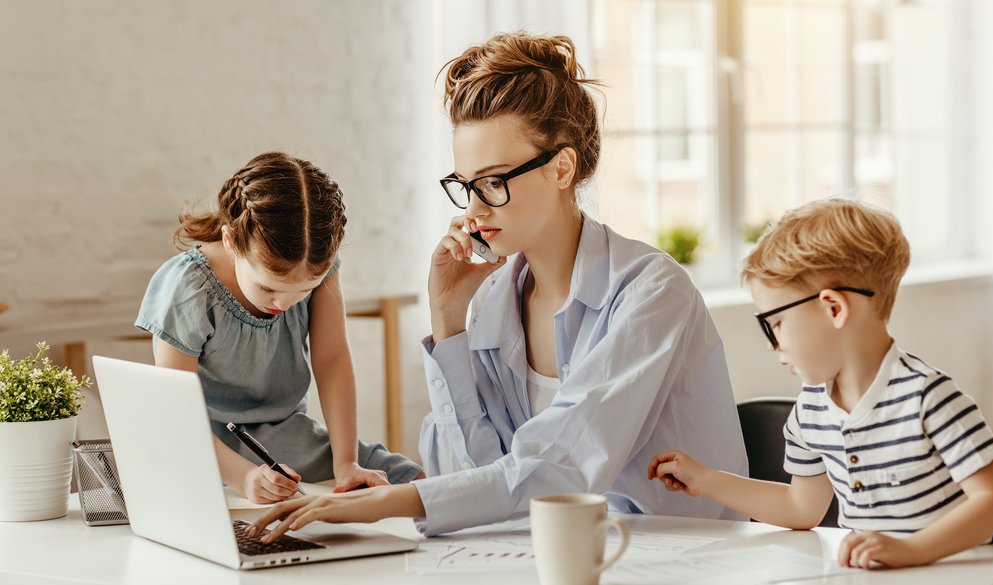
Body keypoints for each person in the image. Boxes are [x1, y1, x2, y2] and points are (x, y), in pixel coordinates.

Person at [247, 32, 746, 542]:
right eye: (466, 185)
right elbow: (472, 479)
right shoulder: (490, 300)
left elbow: (559, 470)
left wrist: (388, 502)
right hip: (557, 557)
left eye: (492, 182)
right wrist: (447, 325)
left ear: (562, 166)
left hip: (683, 559)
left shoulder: (652, 293)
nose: (473, 210)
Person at [648, 198, 993, 569]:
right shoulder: (811, 412)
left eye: (777, 324)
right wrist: (706, 479)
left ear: (834, 308)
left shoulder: (929, 398)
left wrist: (912, 550)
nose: (773, 344)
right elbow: (801, 508)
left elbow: (992, 501)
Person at [135, 152, 423, 504]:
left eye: (304, 289)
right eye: (268, 288)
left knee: (414, 481)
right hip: (198, 439)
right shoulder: (187, 287)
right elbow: (173, 408)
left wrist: (346, 461)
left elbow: (331, 359)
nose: (283, 304)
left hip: (286, 434)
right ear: (230, 241)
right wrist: (243, 477)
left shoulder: (320, 266)